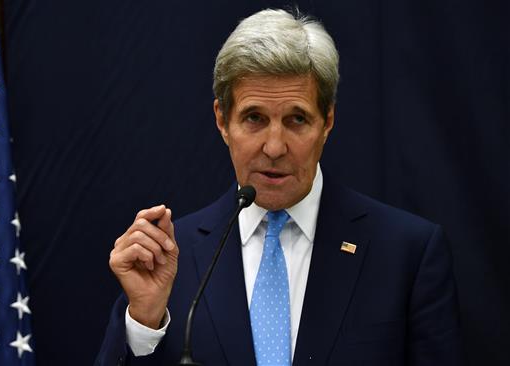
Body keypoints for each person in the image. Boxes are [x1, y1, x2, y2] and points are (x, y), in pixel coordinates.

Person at [96, 8, 463, 366]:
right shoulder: (171, 259)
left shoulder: (407, 253)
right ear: (222, 121)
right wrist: (144, 322)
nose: (274, 147)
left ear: (327, 122)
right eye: (254, 118)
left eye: (297, 119)